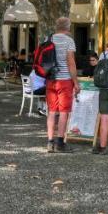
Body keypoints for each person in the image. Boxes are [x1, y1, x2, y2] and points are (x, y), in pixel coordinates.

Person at [45, 17, 80, 153]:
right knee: (64, 112)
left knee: (52, 112)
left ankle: (49, 142)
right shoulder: (69, 41)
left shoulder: (48, 39)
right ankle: (60, 143)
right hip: (64, 80)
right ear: (68, 27)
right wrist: (76, 82)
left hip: (50, 79)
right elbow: (71, 62)